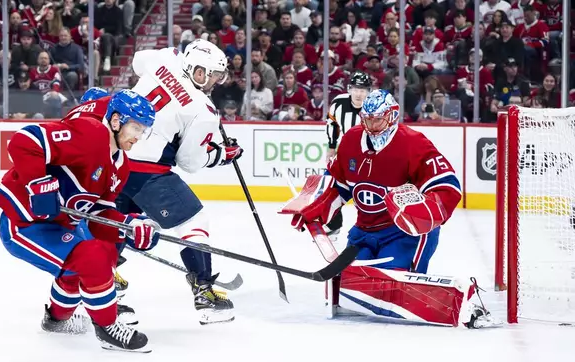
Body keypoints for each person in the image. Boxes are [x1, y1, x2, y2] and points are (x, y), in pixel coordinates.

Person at [282, 90, 493, 328]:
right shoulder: (351, 139)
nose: (371, 126)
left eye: (378, 119)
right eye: (367, 119)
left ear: (392, 117)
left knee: (388, 290)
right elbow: (338, 184)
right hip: (363, 233)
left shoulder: (413, 143)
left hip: (401, 234)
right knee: (351, 287)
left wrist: (424, 212)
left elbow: (447, 186)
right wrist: (314, 207)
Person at [0, 90, 160, 352]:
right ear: (116, 121)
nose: (139, 136)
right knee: (93, 258)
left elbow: (98, 217)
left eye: (143, 130)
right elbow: (24, 141)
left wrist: (128, 226)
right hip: (24, 223)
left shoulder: (121, 166)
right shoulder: (90, 134)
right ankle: (107, 327)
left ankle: (56, 321)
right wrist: (38, 183)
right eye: (135, 127)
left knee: (94, 257)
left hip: (58, 226)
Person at [120, 39, 243, 325]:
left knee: (114, 220)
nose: (213, 82)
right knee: (194, 220)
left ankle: (102, 286)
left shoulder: (166, 58)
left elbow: (138, 60)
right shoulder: (203, 109)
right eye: (211, 75)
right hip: (145, 171)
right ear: (197, 71)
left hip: (114, 154)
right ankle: (204, 292)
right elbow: (190, 162)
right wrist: (221, 154)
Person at [324, 70, 372, 238]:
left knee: (366, 194)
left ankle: (368, 228)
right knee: (328, 185)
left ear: (368, 92)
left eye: (363, 90)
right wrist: (331, 147)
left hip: (367, 159)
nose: (359, 94)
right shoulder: (338, 103)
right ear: (349, 89)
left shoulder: (373, 107)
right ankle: (333, 224)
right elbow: (332, 124)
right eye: (356, 89)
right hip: (343, 155)